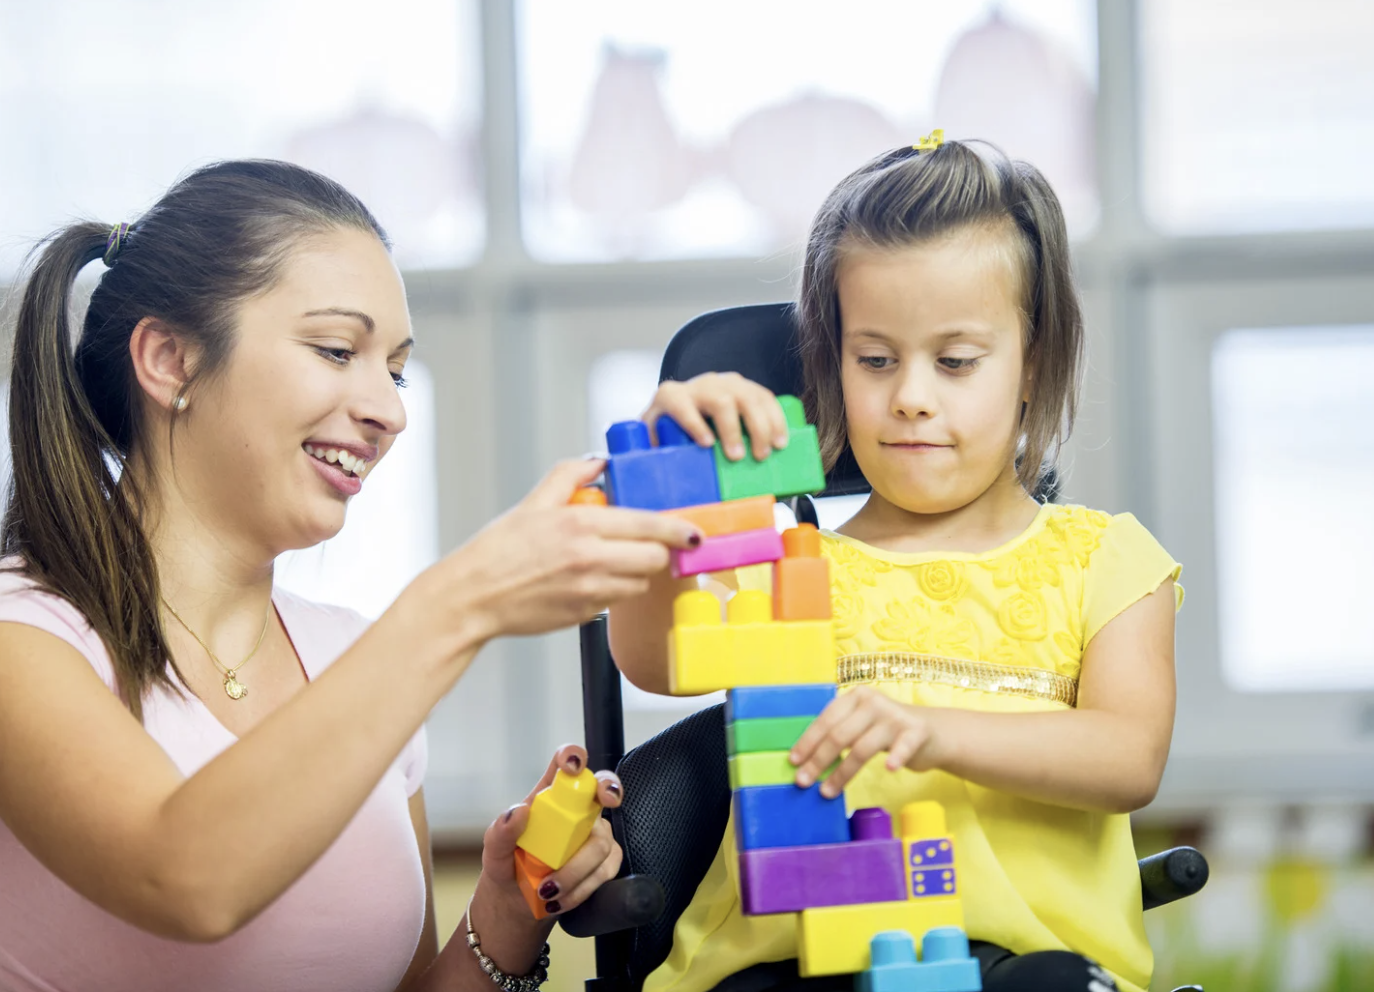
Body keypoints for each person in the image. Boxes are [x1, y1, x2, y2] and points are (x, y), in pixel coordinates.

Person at [0, 160, 705, 992]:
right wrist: (463, 599)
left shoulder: (349, 658)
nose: (391, 411)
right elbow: (184, 877)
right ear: (169, 359)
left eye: (396, 370)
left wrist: (505, 912)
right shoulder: (28, 639)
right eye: (338, 350)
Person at [608, 138, 1183, 992]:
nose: (911, 394)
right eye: (875, 360)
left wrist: (934, 730)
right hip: (790, 969)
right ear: (833, 369)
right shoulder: (785, 565)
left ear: (1034, 363)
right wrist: (661, 495)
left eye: (955, 362)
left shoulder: (1106, 560)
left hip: (1026, 970)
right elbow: (653, 658)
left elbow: (1127, 758)